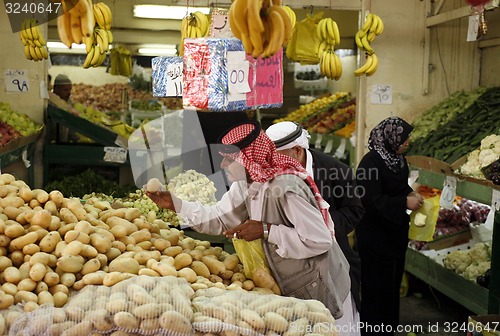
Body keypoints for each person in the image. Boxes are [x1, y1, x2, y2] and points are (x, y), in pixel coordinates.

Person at [147, 121, 354, 329]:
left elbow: (319, 240)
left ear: (248, 160)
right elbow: (220, 218)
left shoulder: (285, 188)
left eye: (229, 159)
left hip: (320, 288)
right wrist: (177, 204)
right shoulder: (246, 185)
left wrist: (265, 230)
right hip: (288, 285)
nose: (223, 166)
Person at [266, 121, 364, 316]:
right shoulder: (273, 172)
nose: (272, 162)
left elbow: (354, 210)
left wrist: (319, 225)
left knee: (335, 317)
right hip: (289, 259)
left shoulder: (335, 170)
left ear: (297, 150)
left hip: (332, 258)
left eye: (276, 156)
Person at [354, 117, 424, 335]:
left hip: (395, 234)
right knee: (376, 289)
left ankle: (388, 330)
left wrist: (410, 193)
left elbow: (399, 186)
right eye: (404, 138)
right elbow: (369, 200)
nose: (407, 142)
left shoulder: (398, 159)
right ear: (390, 137)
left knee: (392, 287)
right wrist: (404, 202)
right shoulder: (370, 163)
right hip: (375, 237)